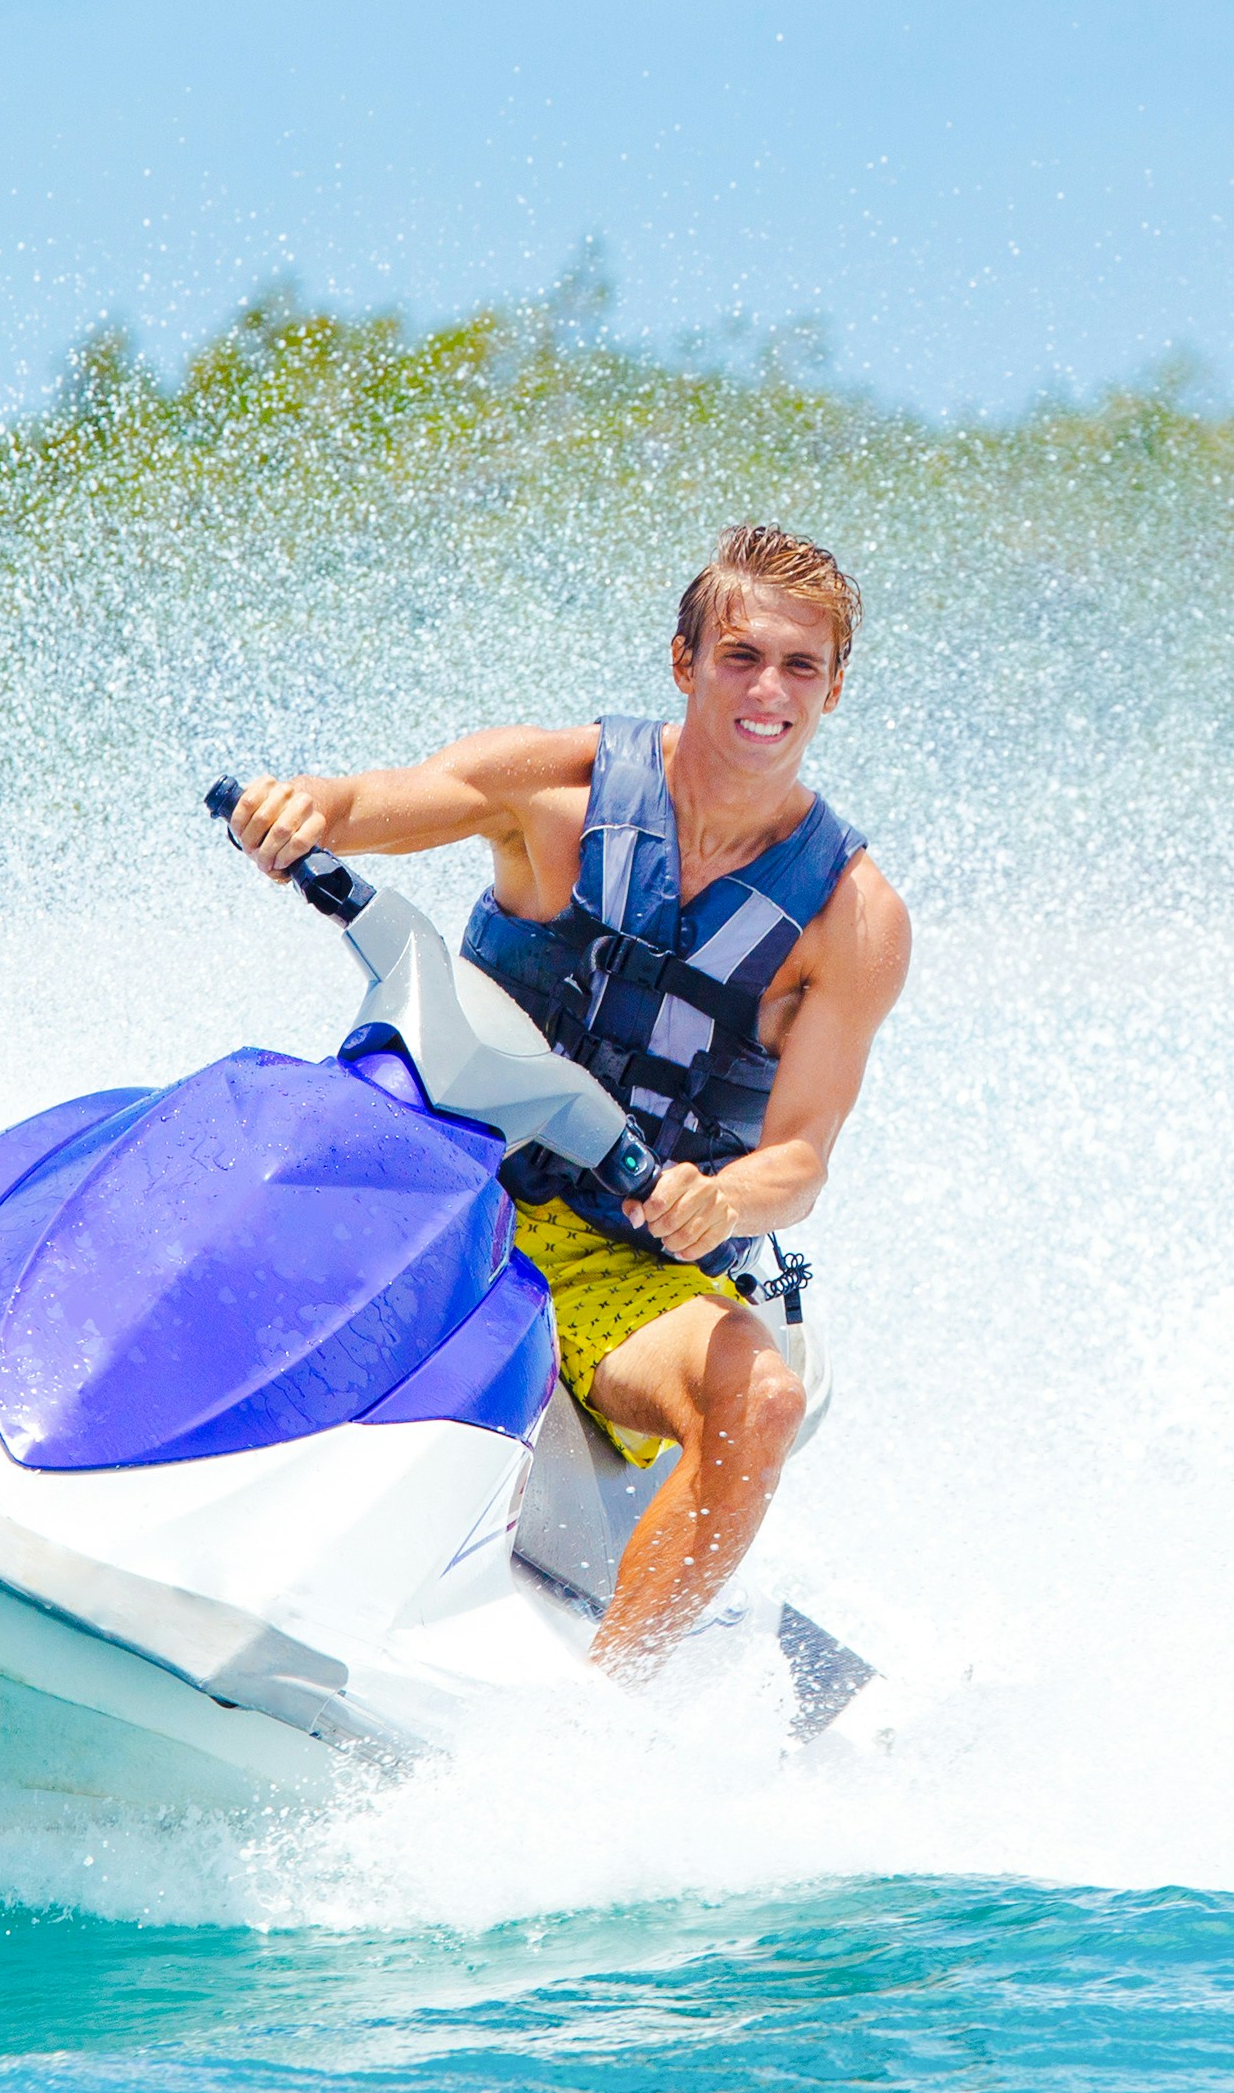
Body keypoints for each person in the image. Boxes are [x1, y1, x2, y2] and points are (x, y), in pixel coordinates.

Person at [224, 524, 913, 1674]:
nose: (768, 691)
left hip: (618, 1254)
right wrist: (299, 809)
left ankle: (604, 1728)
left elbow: (800, 1157)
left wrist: (721, 1199)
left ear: (835, 688)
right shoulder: (558, 787)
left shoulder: (853, 919)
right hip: (438, 1169)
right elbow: (376, 799)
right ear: (684, 662)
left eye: (801, 667)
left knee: (763, 1403)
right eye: (740, 656)